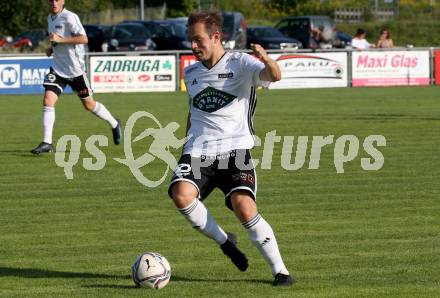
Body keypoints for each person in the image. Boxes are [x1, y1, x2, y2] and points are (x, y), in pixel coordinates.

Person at [168, 11, 293, 287]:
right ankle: (225, 242)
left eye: (198, 40)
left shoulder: (241, 63)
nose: (193, 46)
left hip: (235, 151)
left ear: (216, 37)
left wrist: (266, 59)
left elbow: (275, 76)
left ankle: (280, 271)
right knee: (181, 194)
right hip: (198, 151)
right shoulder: (191, 72)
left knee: (244, 208)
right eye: (190, 40)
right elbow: (194, 108)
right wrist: (187, 138)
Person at [31, 0, 121, 154]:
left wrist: (60, 40)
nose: (54, 2)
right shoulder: (50, 18)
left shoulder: (70, 17)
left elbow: (83, 39)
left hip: (76, 71)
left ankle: (114, 123)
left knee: (89, 105)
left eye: (57, 0)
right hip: (58, 69)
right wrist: (52, 48)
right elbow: (57, 39)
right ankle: (47, 143)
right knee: (48, 99)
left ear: (62, 1)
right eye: (51, 0)